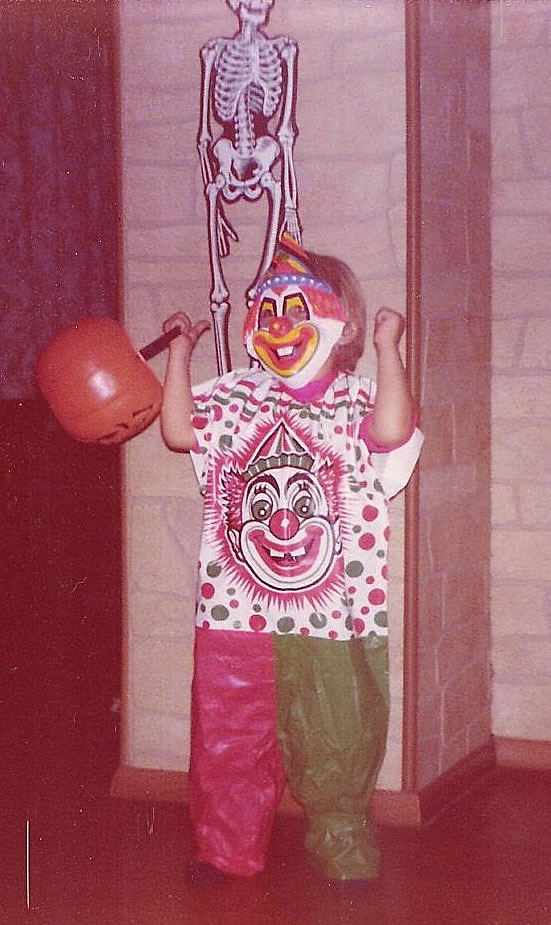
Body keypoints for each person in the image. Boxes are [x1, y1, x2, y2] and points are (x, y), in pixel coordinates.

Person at [160, 234, 423, 883]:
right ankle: (224, 846)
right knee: (228, 727)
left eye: (296, 311)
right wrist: (179, 355)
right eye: (267, 312)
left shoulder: (357, 398)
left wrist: (389, 351)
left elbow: (391, 431)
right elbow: (176, 429)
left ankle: (339, 838)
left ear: (343, 324)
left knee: (336, 725)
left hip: (332, 608)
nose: (279, 327)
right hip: (235, 603)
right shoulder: (233, 395)